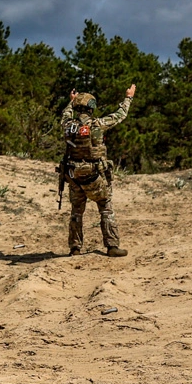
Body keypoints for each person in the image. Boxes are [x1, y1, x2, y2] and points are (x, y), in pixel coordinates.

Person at [60, 84, 136, 257]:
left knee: (76, 212)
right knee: (105, 207)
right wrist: (128, 97)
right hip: (95, 175)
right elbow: (120, 115)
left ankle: (75, 248)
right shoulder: (98, 124)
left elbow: (65, 114)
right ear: (91, 107)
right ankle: (112, 246)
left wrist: (71, 102)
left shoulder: (67, 125)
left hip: (73, 176)